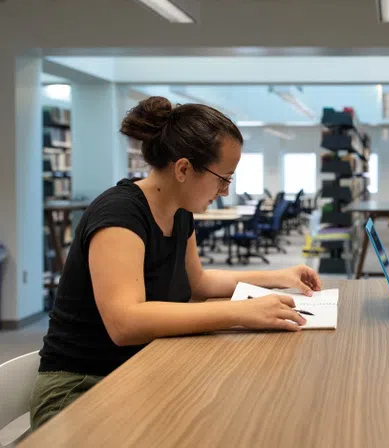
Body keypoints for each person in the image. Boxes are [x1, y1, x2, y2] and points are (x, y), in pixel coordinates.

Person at [30, 97, 321, 429]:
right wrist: (240, 312)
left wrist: (276, 277)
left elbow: (198, 283)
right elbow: (125, 322)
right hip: (80, 388)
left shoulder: (180, 213)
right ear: (183, 169)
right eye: (223, 179)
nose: (225, 191)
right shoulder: (119, 215)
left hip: (137, 369)